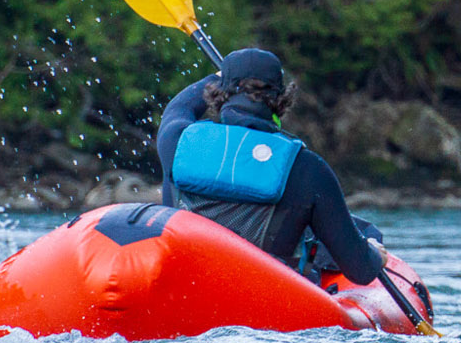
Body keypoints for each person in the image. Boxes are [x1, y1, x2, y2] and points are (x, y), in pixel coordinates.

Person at [154, 48, 383, 285]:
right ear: (282, 101)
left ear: (218, 94)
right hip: (266, 299)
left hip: (186, 286)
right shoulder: (308, 168)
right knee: (362, 233)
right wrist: (375, 254)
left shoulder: (177, 141)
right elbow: (361, 270)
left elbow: (178, 108)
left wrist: (217, 78)